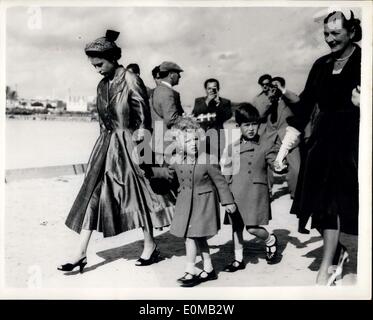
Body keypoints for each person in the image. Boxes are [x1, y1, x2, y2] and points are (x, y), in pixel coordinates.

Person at [58, 30, 171, 273]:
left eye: (99, 64)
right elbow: (102, 122)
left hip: (130, 146)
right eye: (93, 66)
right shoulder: (101, 85)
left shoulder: (130, 78)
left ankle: (150, 245)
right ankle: (80, 253)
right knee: (92, 196)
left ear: (112, 57)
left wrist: (144, 153)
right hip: (105, 148)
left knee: (139, 195)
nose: (97, 69)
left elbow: (144, 120)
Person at [275, 9, 361, 285]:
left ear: (351, 32)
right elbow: (304, 107)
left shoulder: (365, 60)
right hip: (324, 142)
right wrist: (284, 149)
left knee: (347, 205)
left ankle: (342, 258)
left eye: (336, 33)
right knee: (325, 206)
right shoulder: (321, 65)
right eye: (326, 33)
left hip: (355, 141)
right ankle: (328, 264)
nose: (330, 38)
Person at [169, 117, 236, 287]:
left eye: (196, 139)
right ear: (178, 142)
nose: (193, 143)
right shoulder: (176, 159)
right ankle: (209, 269)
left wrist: (227, 202)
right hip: (186, 204)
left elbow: (220, 182)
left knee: (191, 237)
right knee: (198, 238)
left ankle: (190, 272)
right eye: (187, 140)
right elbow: (168, 175)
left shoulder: (208, 158)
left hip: (204, 203)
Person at [222, 103, 280, 272]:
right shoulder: (233, 147)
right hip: (236, 192)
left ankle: (270, 240)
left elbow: (273, 161)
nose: (251, 128)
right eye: (247, 125)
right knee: (237, 227)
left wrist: (279, 165)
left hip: (256, 192)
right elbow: (227, 171)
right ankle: (238, 260)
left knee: (253, 227)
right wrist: (225, 196)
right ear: (239, 126)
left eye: (254, 124)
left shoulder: (265, 143)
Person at [260, 76, 301, 198]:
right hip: (271, 139)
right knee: (264, 166)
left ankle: (295, 194)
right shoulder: (267, 99)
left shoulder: (288, 98)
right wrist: (269, 100)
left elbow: (297, 100)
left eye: (276, 86)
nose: (273, 88)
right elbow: (260, 115)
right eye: (272, 86)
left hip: (289, 139)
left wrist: (282, 90)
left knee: (296, 169)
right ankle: (267, 192)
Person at [151, 61, 185, 165]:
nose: (179, 76)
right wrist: (188, 120)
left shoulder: (157, 90)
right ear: (171, 74)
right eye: (178, 74)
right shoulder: (167, 92)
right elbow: (171, 119)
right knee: (170, 176)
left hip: (159, 142)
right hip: (168, 144)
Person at [192, 78, 232, 161]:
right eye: (209, 88)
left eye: (214, 88)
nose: (211, 90)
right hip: (201, 137)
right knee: (200, 163)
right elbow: (194, 116)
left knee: (215, 164)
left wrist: (218, 104)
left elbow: (226, 116)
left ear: (218, 89)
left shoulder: (225, 102)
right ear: (205, 89)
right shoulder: (198, 101)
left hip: (217, 138)